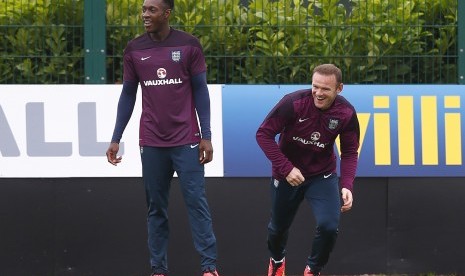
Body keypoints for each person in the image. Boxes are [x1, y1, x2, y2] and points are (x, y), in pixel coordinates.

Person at [105, 0, 220, 275]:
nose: (145, 14)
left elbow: (201, 92)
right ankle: (158, 269)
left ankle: (209, 268)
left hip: (187, 140)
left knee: (197, 203)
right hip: (152, 142)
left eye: (151, 10)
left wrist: (207, 135)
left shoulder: (189, 45)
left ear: (167, 13)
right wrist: (115, 137)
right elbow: (128, 95)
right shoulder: (134, 48)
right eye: (143, 9)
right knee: (156, 208)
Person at [256, 64, 360, 276]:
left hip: (322, 176)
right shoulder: (293, 103)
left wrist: (347, 184)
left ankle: (313, 270)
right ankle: (277, 262)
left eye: (325, 89)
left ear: (339, 88)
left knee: (329, 226)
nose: (318, 93)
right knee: (277, 229)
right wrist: (286, 169)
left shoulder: (346, 113)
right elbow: (263, 134)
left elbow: (350, 152)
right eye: (315, 87)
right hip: (287, 176)